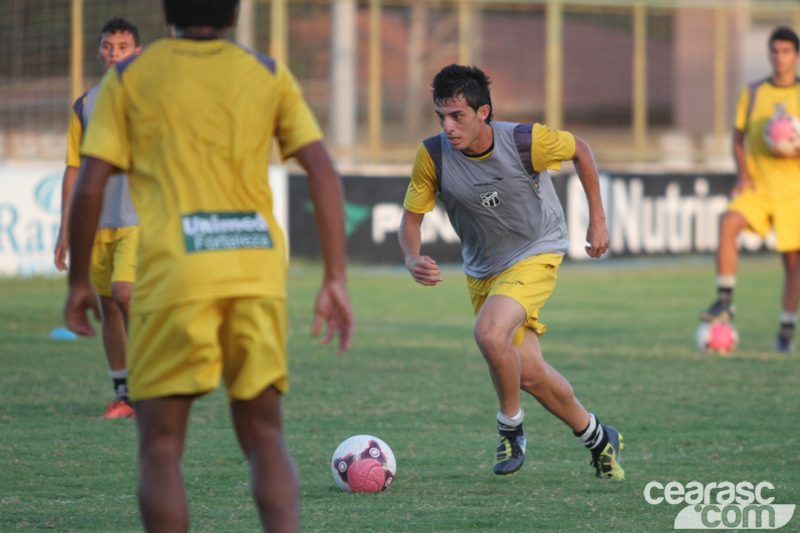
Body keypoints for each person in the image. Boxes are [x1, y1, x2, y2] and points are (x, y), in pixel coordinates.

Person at [63, 1, 355, 531]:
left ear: (166, 8)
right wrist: (335, 277)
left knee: (161, 445)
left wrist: (78, 279)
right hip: (255, 270)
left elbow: (89, 183)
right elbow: (322, 169)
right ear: (236, 12)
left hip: (176, 273)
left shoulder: (130, 77)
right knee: (265, 436)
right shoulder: (266, 72)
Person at [399, 64, 624, 479]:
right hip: (483, 270)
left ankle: (510, 429)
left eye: (457, 116)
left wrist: (598, 220)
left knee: (489, 334)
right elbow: (411, 222)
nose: (448, 126)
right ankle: (598, 437)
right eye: (441, 117)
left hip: (537, 250)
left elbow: (581, 150)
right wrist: (413, 259)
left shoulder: (525, 141)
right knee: (530, 374)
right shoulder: (432, 155)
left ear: (483, 112)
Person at [55, 17, 143, 419]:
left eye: (122, 47)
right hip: (97, 224)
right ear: (99, 51)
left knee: (126, 294)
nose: (114, 54)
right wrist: (65, 229)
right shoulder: (85, 105)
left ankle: (155, 385)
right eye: (108, 47)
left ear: (136, 51)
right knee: (109, 306)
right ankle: (125, 395)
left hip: (138, 218)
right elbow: (74, 169)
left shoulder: (149, 97)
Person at [699, 27, 800, 353]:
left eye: (786, 51)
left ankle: (785, 331)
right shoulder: (754, 92)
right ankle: (725, 302)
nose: (779, 57)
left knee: (794, 264)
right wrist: (742, 175)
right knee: (728, 222)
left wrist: (793, 150)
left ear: (795, 56)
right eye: (775, 51)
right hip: (758, 187)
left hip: (793, 193)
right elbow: (738, 139)